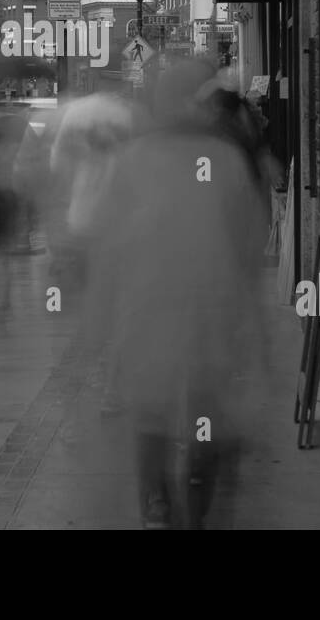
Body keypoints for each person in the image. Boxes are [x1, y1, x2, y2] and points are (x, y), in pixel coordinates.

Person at [83, 59, 270, 528]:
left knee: (152, 418)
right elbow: (251, 241)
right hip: (210, 312)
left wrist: (102, 316)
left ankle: (158, 506)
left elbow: (106, 242)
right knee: (203, 419)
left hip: (149, 313)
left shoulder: (133, 159)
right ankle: (192, 505)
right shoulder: (225, 159)